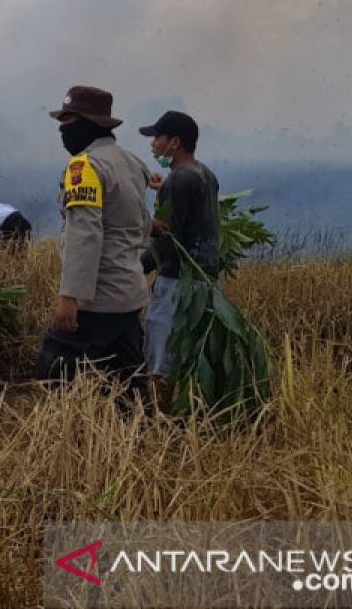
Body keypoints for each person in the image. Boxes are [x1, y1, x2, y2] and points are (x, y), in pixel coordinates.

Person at [36, 86, 153, 404]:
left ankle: (57, 439)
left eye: (68, 122)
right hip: (128, 293)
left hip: (96, 297)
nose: (62, 130)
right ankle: (138, 441)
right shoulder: (131, 162)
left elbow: (84, 236)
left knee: (55, 373)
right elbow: (142, 225)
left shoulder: (84, 168)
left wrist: (70, 297)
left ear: (90, 124)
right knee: (127, 381)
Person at [139, 110, 221, 410]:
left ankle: (159, 420)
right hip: (205, 282)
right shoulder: (205, 174)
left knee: (162, 358)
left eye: (156, 139)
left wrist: (140, 265)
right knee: (193, 355)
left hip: (176, 284)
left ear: (174, 142)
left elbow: (168, 236)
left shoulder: (179, 181)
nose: (152, 145)